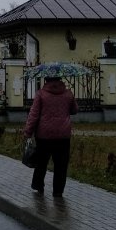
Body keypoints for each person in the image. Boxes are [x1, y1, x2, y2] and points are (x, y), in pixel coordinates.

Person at [24, 69, 78, 198]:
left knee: (41, 162)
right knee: (61, 164)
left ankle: (38, 186)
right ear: (60, 79)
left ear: (46, 80)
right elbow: (75, 110)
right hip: (63, 135)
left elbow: (34, 115)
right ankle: (58, 192)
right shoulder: (68, 94)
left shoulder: (41, 94)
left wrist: (28, 132)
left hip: (44, 135)